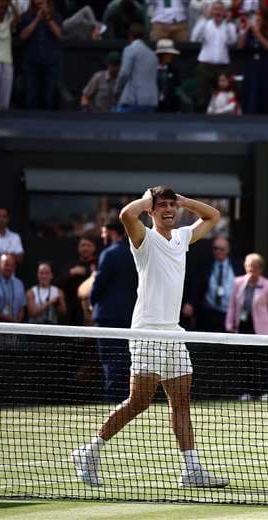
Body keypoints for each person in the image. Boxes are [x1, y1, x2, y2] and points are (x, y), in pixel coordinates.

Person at [71, 186, 229, 488]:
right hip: (146, 331)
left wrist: (182, 201)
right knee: (139, 401)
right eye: (162, 206)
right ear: (151, 211)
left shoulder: (182, 237)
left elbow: (213, 215)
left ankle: (192, 469)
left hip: (173, 332)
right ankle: (89, 452)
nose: (169, 210)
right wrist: (148, 199)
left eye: (172, 205)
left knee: (181, 402)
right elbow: (125, 214)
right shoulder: (143, 238)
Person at [89, 218, 138, 402]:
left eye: (103, 232)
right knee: (124, 359)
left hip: (108, 317)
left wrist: (92, 301)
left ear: (111, 232)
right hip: (128, 316)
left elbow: (99, 283)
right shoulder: (131, 254)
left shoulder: (108, 254)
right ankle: (125, 399)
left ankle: (112, 399)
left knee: (110, 360)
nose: (102, 236)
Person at [225, 252, 268, 401]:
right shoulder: (238, 283)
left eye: (254, 267)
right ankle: (248, 391)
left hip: (262, 331)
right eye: (249, 266)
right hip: (244, 328)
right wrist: (230, 323)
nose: (251, 270)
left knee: (264, 360)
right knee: (247, 361)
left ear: (260, 268)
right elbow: (233, 305)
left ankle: (267, 392)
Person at [185, 236, 240, 332]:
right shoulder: (206, 265)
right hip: (209, 312)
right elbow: (197, 286)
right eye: (215, 248)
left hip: (230, 314)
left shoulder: (237, 266)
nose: (218, 251)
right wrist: (191, 303)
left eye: (222, 249)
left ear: (228, 250)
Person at [191, 1, 237, 111]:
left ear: (224, 12)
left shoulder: (229, 25)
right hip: (205, 66)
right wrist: (204, 20)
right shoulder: (205, 23)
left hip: (222, 66)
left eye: (220, 9)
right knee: (202, 97)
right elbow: (194, 38)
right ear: (211, 11)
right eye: (215, 9)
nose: (218, 12)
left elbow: (232, 41)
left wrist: (226, 23)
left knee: (222, 97)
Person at [19, 0, 63, 110]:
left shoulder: (55, 16)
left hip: (50, 62)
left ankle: (47, 125)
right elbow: (23, 36)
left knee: (48, 97)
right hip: (31, 62)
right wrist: (37, 19)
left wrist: (48, 18)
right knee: (30, 97)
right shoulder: (26, 16)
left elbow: (59, 34)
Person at [238, 9, 268, 114]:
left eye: (258, 20)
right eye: (254, 20)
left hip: (264, 67)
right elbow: (240, 46)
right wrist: (245, 31)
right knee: (250, 91)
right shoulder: (248, 34)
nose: (256, 23)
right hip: (250, 66)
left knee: (264, 91)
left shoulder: (267, 32)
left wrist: (257, 32)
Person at [116, 23, 159, 112]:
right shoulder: (153, 54)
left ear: (130, 35)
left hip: (134, 99)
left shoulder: (130, 49)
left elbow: (124, 73)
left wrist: (117, 89)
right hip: (151, 100)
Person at [0, 253, 26, 323]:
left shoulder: (19, 283)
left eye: (12, 265)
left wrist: (17, 321)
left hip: (15, 326)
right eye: (6, 264)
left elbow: (22, 307)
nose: (9, 268)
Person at [155, 39, 182, 113]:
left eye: (171, 54)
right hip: (154, 106)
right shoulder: (151, 69)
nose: (171, 56)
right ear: (161, 55)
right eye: (168, 54)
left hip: (169, 108)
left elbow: (176, 88)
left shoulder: (174, 69)